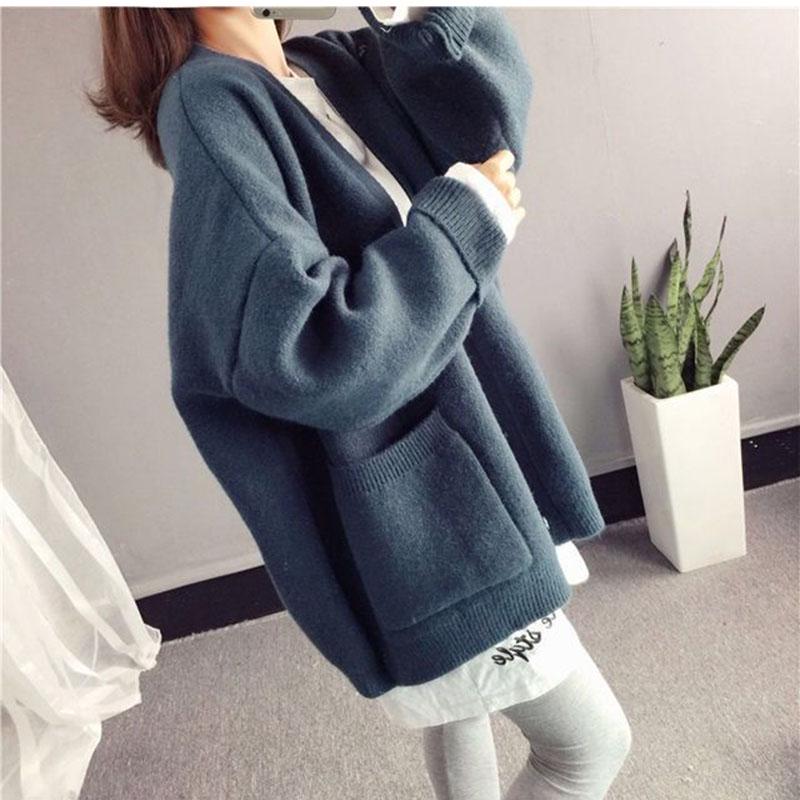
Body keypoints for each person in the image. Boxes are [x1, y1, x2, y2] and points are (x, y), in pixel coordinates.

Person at [87, 6, 632, 798]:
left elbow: (486, 140)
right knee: (585, 749)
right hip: (421, 506)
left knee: (465, 708)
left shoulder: (326, 65)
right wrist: (458, 228)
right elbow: (301, 350)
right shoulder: (210, 105)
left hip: (458, 454)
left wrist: (411, 15)